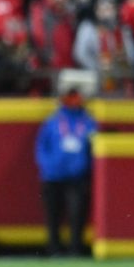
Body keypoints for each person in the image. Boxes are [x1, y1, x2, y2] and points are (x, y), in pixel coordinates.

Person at [34, 88, 97, 257]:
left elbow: (95, 149)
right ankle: (54, 248)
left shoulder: (89, 122)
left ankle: (75, 249)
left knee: (77, 214)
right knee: (53, 215)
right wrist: (48, 167)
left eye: (77, 96)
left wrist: (84, 167)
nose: (74, 100)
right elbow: (41, 147)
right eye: (71, 97)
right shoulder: (53, 121)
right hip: (53, 176)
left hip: (77, 177)